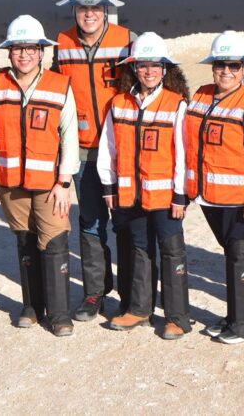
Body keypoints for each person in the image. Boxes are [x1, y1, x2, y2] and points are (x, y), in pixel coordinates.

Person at [0, 15, 80, 337]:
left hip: (50, 184)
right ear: (9, 52)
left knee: (54, 241)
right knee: (25, 242)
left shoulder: (59, 85)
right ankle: (32, 306)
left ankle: (59, 313)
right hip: (10, 181)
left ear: (42, 52)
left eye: (31, 48)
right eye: (17, 48)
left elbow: (69, 136)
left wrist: (64, 182)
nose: (24, 54)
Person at [97, 32, 193, 340]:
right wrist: (109, 186)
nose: (149, 71)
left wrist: (181, 195)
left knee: (172, 252)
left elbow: (184, 152)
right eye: (142, 65)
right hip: (130, 195)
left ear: (165, 69)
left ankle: (178, 317)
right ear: (133, 68)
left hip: (166, 198)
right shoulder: (118, 104)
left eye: (155, 65)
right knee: (140, 249)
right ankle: (139, 309)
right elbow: (108, 148)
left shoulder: (176, 105)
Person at [52, 0, 135, 322]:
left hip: (122, 150)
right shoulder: (61, 43)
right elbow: (54, 96)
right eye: (83, 7)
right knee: (90, 223)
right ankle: (94, 292)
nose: (89, 14)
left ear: (106, 9)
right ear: (74, 9)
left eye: (96, 7)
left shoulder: (127, 40)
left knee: (127, 222)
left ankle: (133, 294)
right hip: (83, 150)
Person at [186, 31, 244, 344]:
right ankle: (235, 315)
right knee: (231, 257)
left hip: (240, 200)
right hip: (209, 197)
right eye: (220, 64)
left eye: (234, 65)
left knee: (242, 258)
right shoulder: (201, 95)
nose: (226, 71)